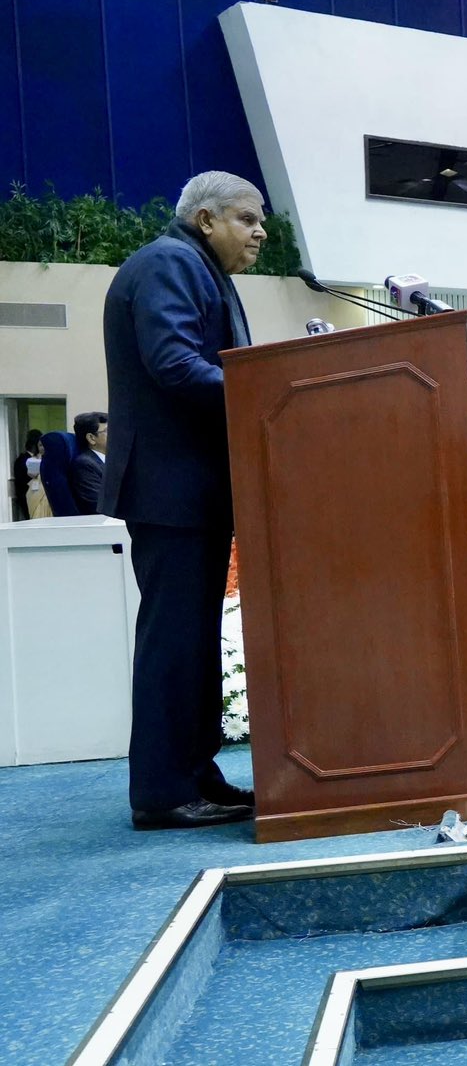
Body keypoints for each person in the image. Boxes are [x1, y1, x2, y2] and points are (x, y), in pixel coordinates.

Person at [103, 171, 268, 829]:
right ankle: (164, 792)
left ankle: (196, 775)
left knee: (193, 640)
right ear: (206, 219)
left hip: (190, 490)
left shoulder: (196, 266)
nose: (259, 232)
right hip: (171, 489)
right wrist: (264, 395)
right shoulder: (172, 262)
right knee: (174, 641)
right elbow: (172, 362)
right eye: (248, 219)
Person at [69, 411, 109, 513]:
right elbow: (98, 505)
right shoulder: (84, 464)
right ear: (91, 438)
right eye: (108, 431)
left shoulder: (109, 461)